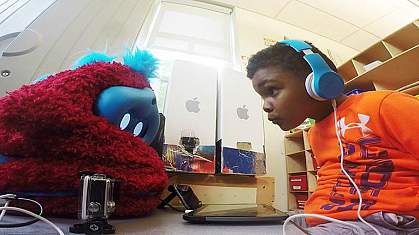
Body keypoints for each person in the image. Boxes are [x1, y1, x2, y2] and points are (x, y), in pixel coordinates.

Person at [246, 40, 419, 235]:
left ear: (316, 80)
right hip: (322, 220)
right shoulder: (315, 133)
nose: (265, 106)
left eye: (272, 91)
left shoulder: (383, 105)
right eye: (262, 97)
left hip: (382, 221)